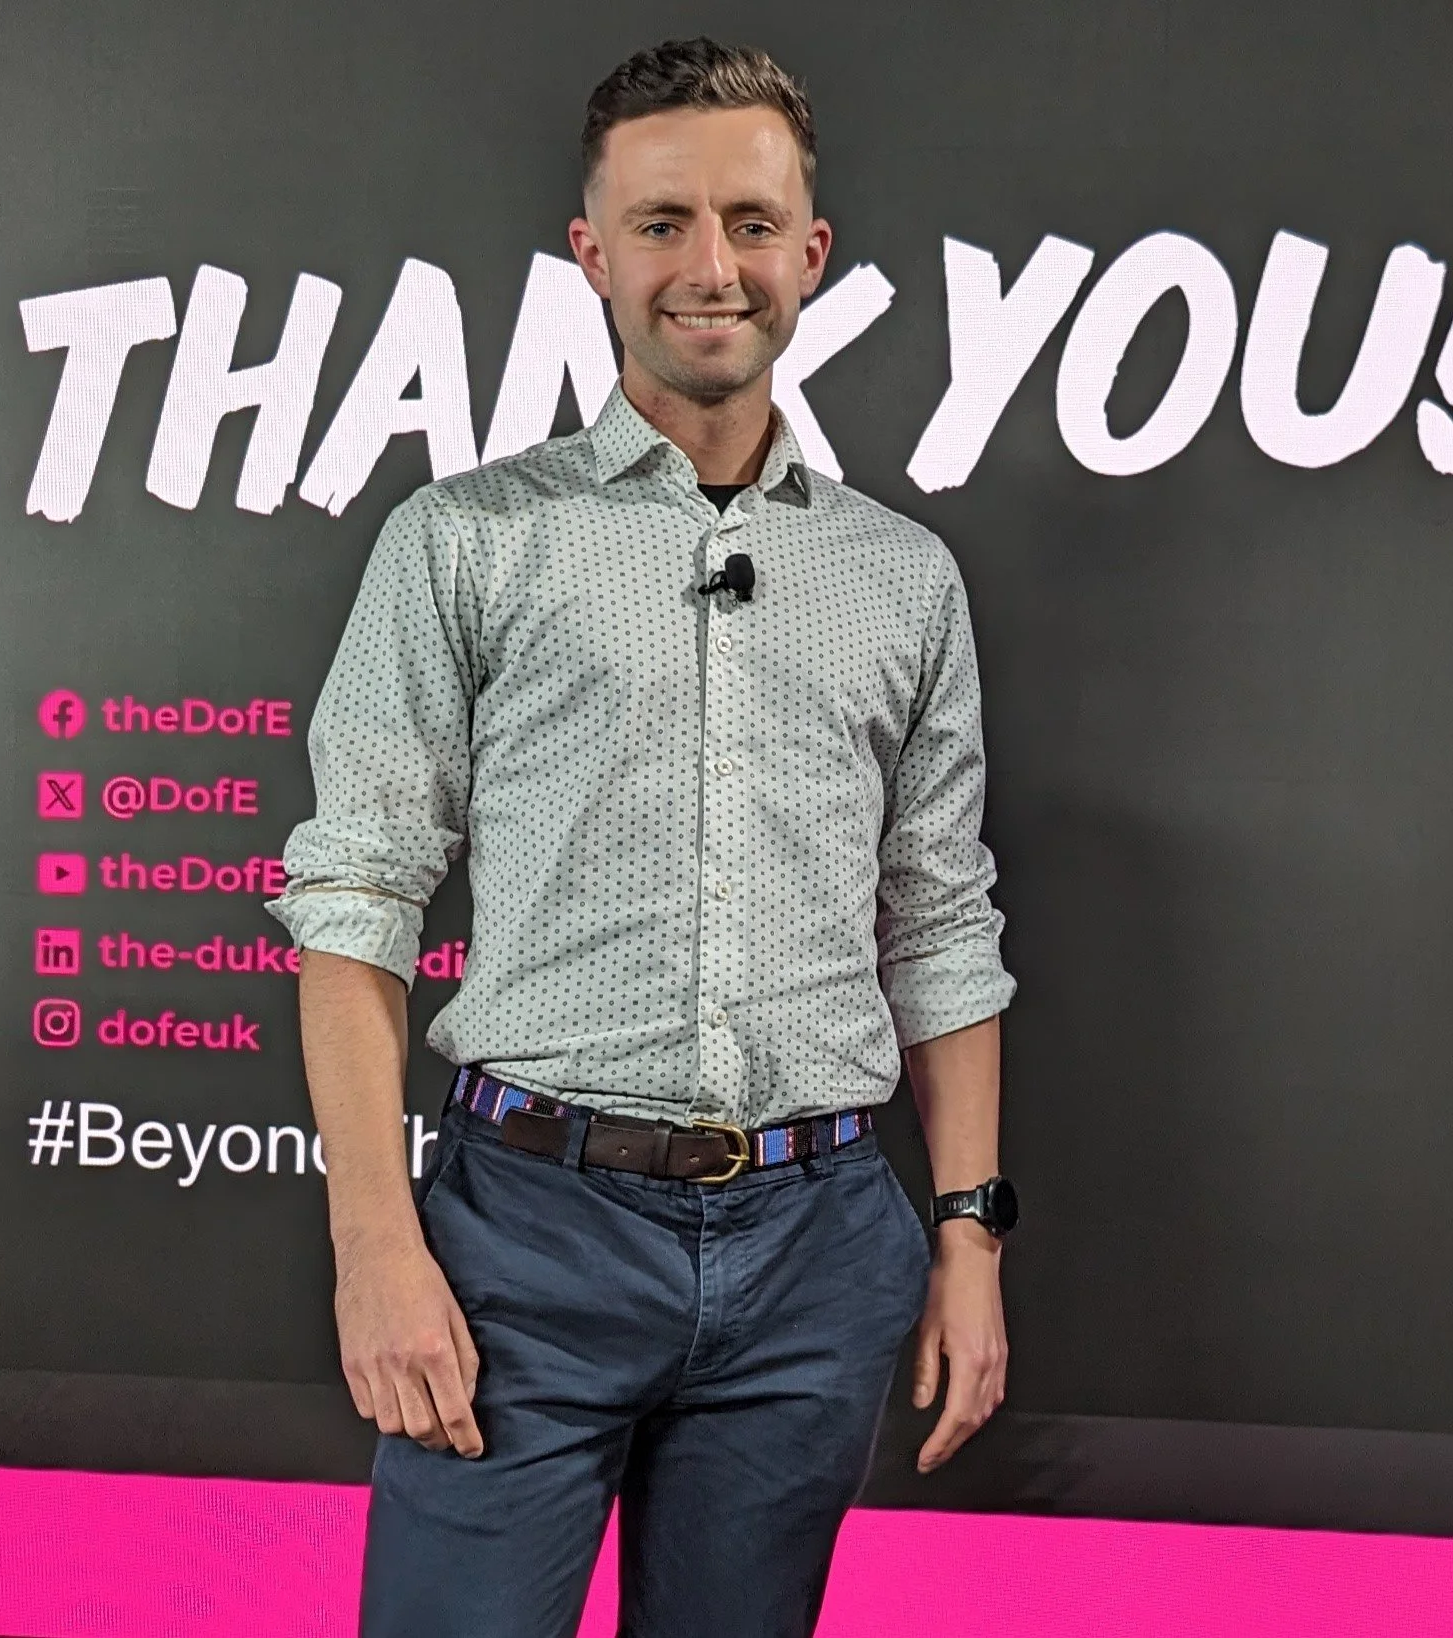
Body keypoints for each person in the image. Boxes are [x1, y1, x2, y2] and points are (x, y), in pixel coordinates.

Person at [266, 36, 1019, 1638]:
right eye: (663, 222)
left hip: (820, 1249)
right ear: (590, 252)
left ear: (811, 253)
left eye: (751, 222)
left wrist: (969, 1239)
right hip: (523, 1239)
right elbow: (353, 909)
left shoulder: (907, 578)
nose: (711, 267)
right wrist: (374, 1247)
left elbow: (943, 924)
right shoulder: (463, 541)